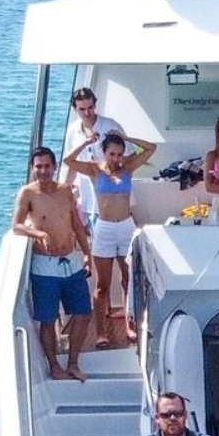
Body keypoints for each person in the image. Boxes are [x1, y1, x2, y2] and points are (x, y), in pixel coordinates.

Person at [61, 131, 158, 348]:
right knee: (102, 285)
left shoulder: (128, 167)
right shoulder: (94, 170)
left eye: (119, 154)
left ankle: (129, 325)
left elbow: (151, 148)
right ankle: (100, 332)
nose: (116, 158)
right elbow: (69, 160)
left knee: (128, 280)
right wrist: (86, 143)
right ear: (104, 153)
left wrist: (128, 137)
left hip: (125, 227)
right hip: (104, 228)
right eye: (112, 154)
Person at [10, 147, 94, 382]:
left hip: (71, 261)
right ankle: (54, 365)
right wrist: (39, 234)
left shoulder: (65, 191)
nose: (43, 171)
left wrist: (87, 253)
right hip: (45, 265)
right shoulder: (27, 193)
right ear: (32, 168)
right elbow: (16, 225)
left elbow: (77, 224)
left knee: (83, 314)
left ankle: (74, 362)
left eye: (47, 166)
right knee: (48, 319)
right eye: (39, 166)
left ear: (54, 167)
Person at [63, 86, 125, 227]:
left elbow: (128, 158)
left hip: (113, 197)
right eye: (82, 109)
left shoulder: (110, 126)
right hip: (88, 199)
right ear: (75, 109)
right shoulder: (73, 131)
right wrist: (65, 192)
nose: (87, 112)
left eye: (90, 107)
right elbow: (72, 164)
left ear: (95, 105)